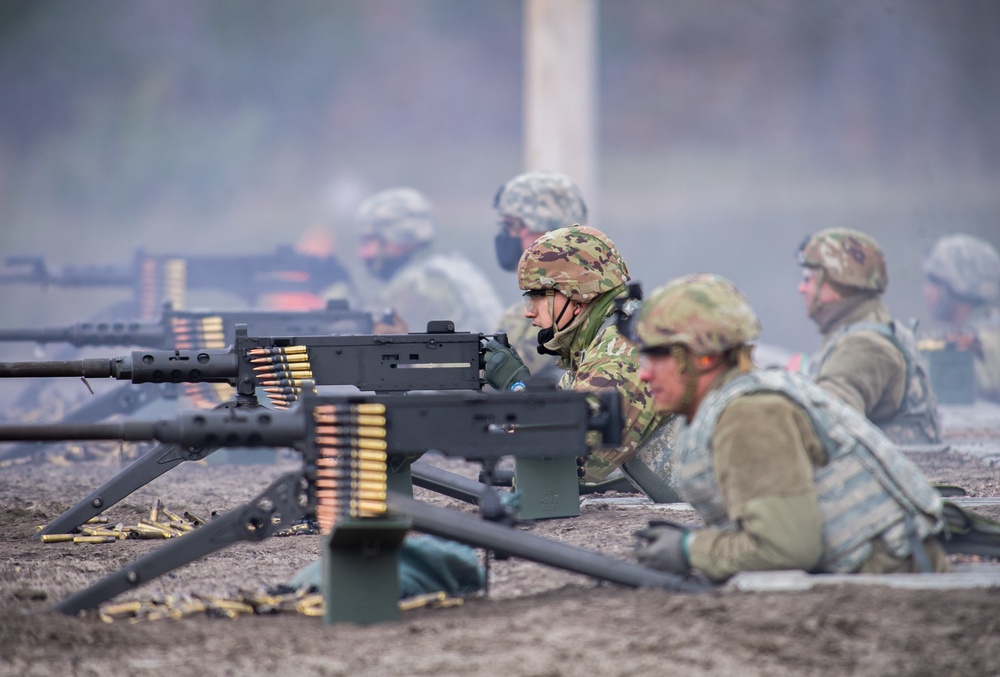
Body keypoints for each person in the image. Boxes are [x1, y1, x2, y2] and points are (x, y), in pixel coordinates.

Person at [630, 273, 948, 582]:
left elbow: (785, 548)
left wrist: (690, 550)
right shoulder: (727, 405)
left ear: (705, 358)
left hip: (884, 581)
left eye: (658, 355)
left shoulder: (750, 414)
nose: (644, 374)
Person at [482, 225, 678, 501]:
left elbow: (577, 458)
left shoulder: (622, 348)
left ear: (577, 293)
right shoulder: (609, 337)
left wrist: (517, 390)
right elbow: (566, 412)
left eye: (537, 295)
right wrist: (519, 392)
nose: (529, 311)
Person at [795, 228, 940, 444]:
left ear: (836, 283)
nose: (801, 288)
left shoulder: (864, 345)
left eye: (809, 279)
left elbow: (825, 424)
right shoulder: (862, 327)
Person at [355, 187, 504, 333]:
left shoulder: (417, 282)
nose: (361, 252)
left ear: (398, 238)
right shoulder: (452, 268)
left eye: (369, 241)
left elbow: (363, 334)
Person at [492, 171, 589, 378]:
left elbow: (498, 375)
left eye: (510, 225)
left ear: (543, 230)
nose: (506, 236)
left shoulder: (569, 304)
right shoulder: (535, 305)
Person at [921, 233, 1000, 402]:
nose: (925, 292)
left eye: (934, 281)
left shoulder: (990, 341)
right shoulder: (970, 336)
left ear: (959, 283)